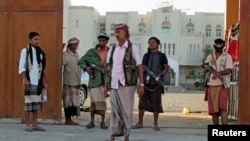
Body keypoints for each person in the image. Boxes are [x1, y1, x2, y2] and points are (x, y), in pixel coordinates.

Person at [104, 24, 144, 141]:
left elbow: (139, 66)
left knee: (126, 112)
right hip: (114, 84)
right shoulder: (112, 48)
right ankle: (112, 137)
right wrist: (106, 86)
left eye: (119, 32)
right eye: (115, 32)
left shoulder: (132, 48)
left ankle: (127, 137)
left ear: (126, 33)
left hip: (127, 85)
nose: (117, 34)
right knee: (114, 111)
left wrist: (141, 84)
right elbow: (108, 68)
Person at [132, 37, 168, 131]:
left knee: (156, 104)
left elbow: (166, 68)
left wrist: (160, 75)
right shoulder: (146, 55)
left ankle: (155, 124)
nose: (151, 44)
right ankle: (140, 123)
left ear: (157, 44)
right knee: (142, 104)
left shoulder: (162, 56)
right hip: (146, 83)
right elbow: (142, 68)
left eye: (153, 42)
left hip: (156, 84)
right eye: (150, 42)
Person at [78, 32, 110, 129]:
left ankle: (103, 122)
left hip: (104, 80)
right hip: (94, 79)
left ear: (107, 41)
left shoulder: (110, 52)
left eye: (103, 41)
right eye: (100, 41)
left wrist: (109, 68)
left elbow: (114, 63)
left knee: (102, 102)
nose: (101, 42)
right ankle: (91, 122)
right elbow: (81, 61)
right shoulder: (92, 52)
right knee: (93, 102)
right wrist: (86, 68)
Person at [18, 31, 46, 132]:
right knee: (28, 104)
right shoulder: (25, 51)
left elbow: (42, 69)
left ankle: (35, 124)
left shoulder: (40, 52)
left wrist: (43, 81)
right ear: (30, 40)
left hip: (37, 82)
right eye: (35, 39)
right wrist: (25, 79)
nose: (37, 41)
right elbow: (21, 67)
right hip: (29, 81)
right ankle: (27, 124)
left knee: (36, 104)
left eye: (38, 39)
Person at [202, 38, 233, 125]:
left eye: (220, 44)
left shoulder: (227, 56)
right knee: (213, 110)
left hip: (223, 85)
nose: (218, 46)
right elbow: (205, 70)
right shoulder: (210, 56)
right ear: (214, 45)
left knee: (223, 108)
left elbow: (229, 70)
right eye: (217, 44)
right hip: (211, 85)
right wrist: (204, 67)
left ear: (223, 45)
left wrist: (219, 73)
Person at [62, 37, 81, 125]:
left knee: (74, 101)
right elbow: (63, 62)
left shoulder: (76, 55)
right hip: (68, 81)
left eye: (75, 44)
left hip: (76, 81)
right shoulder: (66, 54)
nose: (74, 46)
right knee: (68, 101)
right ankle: (67, 119)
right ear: (69, 45)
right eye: (72, 45)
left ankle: (70, 119)